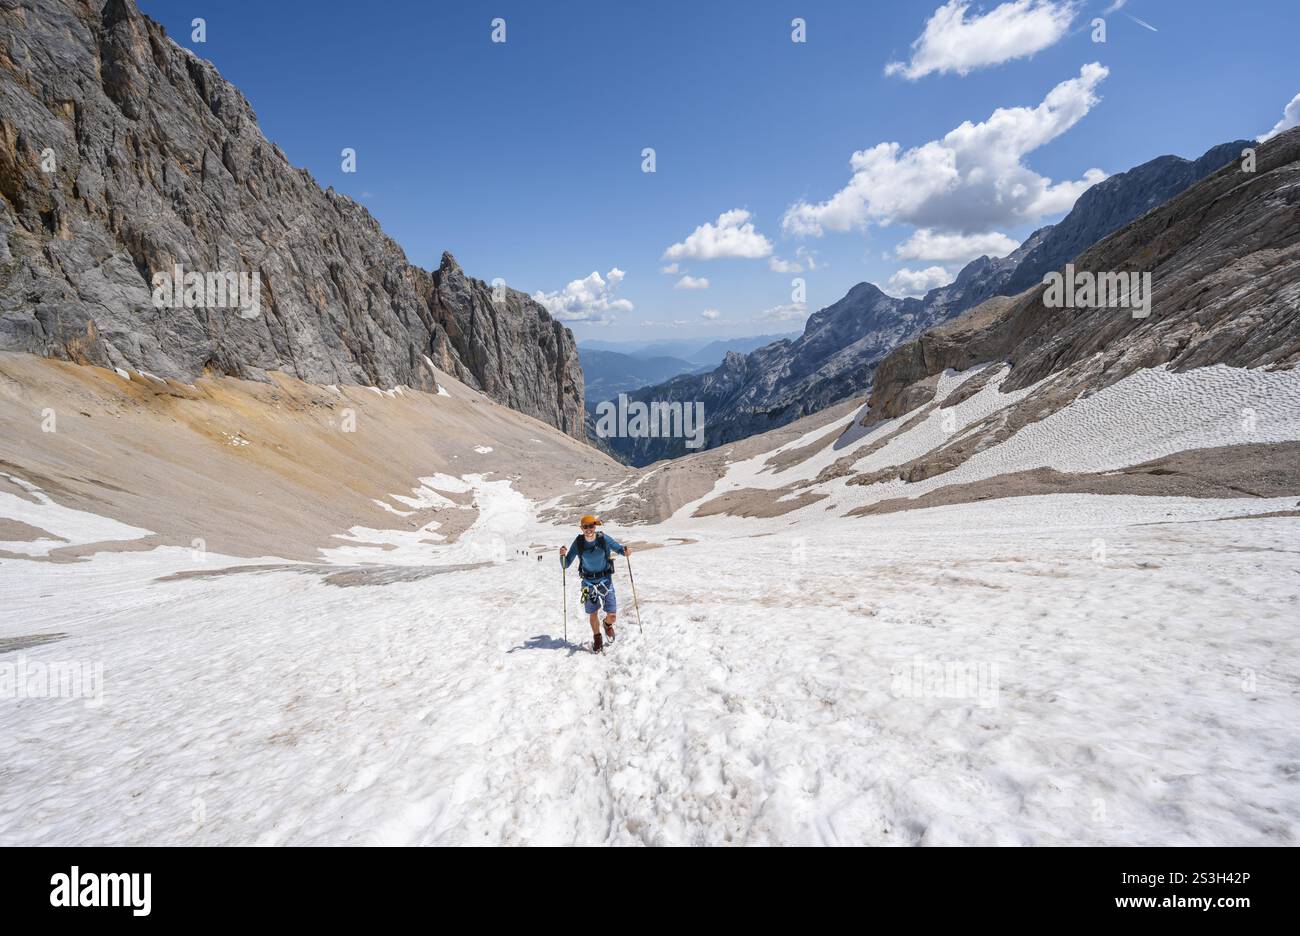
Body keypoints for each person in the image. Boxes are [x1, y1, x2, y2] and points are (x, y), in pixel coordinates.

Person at [559, 515, 630, 652]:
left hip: (606, 581)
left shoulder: (603, 538)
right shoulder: (579, 542)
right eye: (585, 527)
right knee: (593, 613)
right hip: (587, 583)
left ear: (595, 527)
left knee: (612, 615)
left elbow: (619, 549)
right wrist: (562, 555)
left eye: (591, 526)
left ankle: (607, 625)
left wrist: (626, 552)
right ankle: (597, 637)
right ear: (581, 528)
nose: (589, 529)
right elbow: (565, 564)